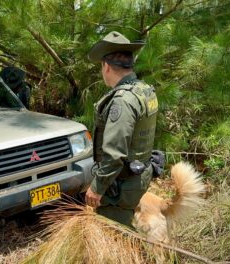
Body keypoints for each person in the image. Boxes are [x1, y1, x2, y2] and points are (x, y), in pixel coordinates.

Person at [84, 31, 159, 228]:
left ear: (106, 66)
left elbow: (114, 153)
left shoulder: (123, 100)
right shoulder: (144, 89)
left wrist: (97, 188)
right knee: (128, 227)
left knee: (115, 235)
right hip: (139, 175)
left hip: (122, 186)